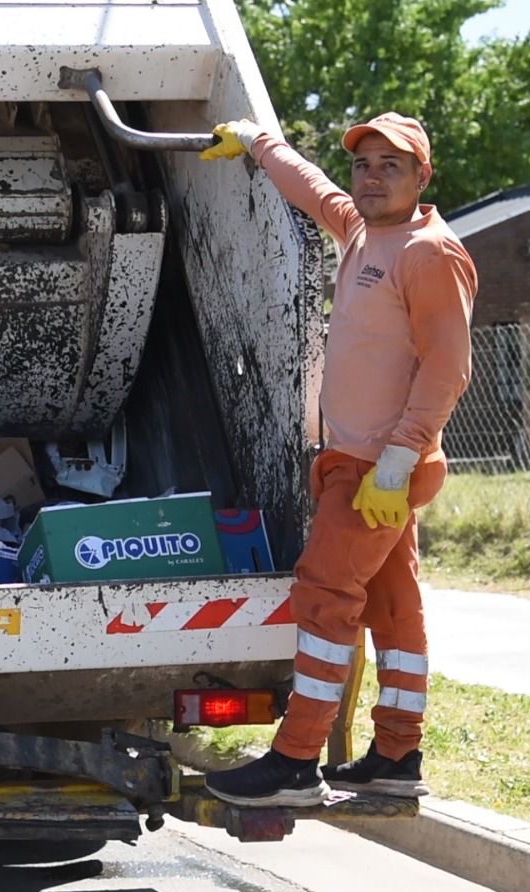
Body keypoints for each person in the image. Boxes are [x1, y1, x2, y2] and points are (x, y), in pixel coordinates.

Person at [198, 113, 478, 807]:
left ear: (423, 175)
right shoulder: (361, 228)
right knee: (393, 607)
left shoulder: (429, 252)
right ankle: (396, 755)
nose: (373, 174)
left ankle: (295, 762)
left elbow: (448, 368)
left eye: (392, 163)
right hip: (364, 465)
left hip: (380, 470)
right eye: (365, 163)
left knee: (325, 597)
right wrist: (259, 140)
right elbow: (310, 187)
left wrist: (398, 460)